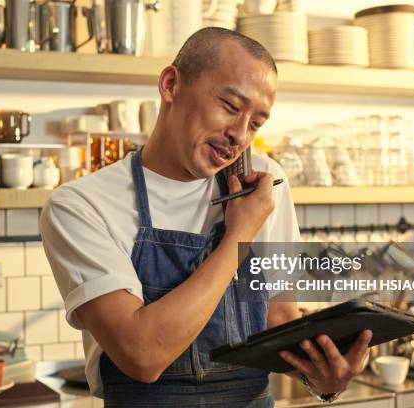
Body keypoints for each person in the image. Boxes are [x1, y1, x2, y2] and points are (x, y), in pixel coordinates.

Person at [40, 27, 371, 407]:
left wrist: (321, 377)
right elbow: (142, 356)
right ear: (170, 84)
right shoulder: (83, 205)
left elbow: (278, 320)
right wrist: (238, 234)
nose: (239, 135)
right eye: (230, 107)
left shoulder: (264, 182)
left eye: (256, 123)